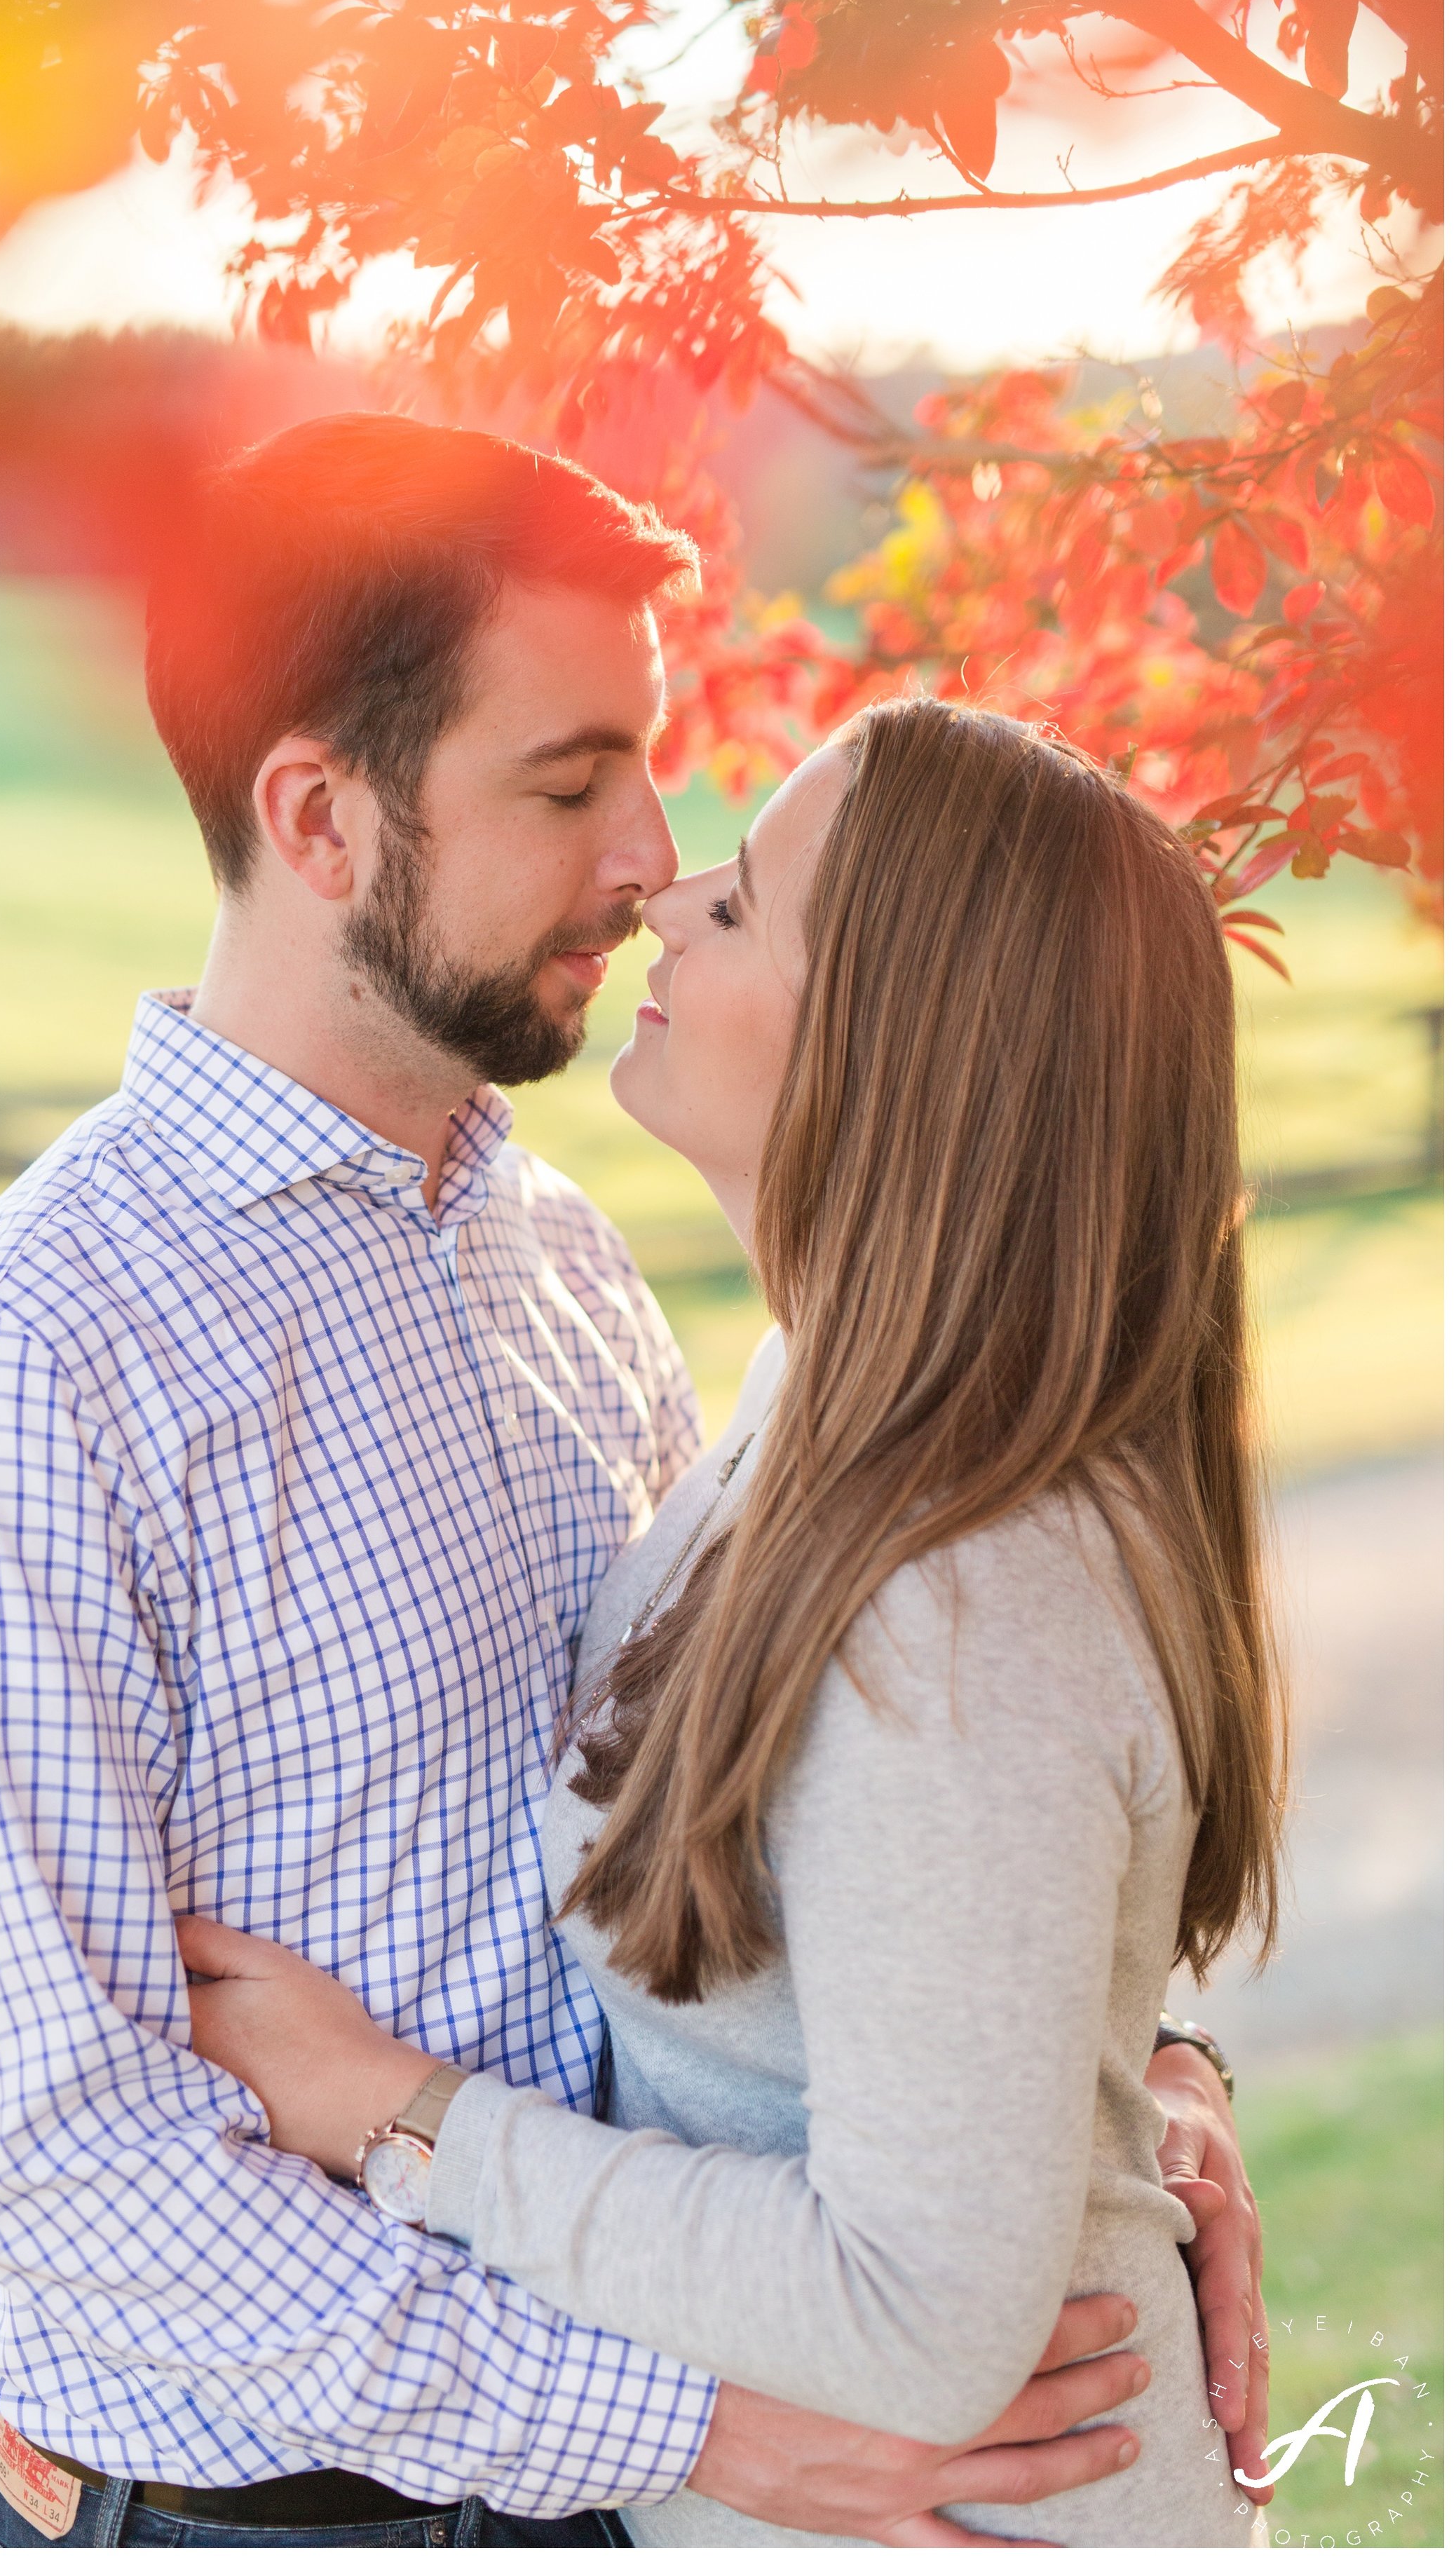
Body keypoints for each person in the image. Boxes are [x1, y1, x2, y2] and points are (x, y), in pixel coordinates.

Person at [0, 417, 1263, 2551]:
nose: (648, 857)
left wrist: (1125, 2079)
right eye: (567, 784)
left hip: (664, 2445)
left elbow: (834, 1807)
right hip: (291, 2512)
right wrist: (692, 2433)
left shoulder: (553, 1253)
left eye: (648, 772)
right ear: (319, 816)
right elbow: (73, 2175)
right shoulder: (22, 1376)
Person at [175, 696, 1290, 2546]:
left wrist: (390, 2111)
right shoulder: (823, 1426)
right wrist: (1147, 2070)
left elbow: (917, 2319)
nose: (668, 893)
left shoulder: (955, 1593)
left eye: (748, 903)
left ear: (906, 1050)